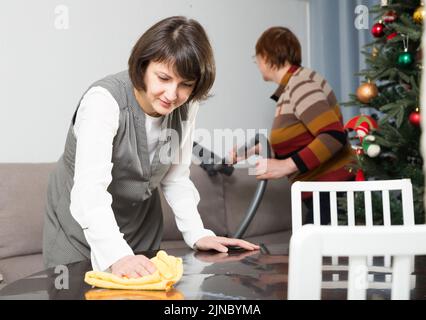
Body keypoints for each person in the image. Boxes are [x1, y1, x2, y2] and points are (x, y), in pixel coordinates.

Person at [43, 16, 259, 279]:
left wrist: (198, 233)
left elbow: (176, 178)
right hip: (78, 232)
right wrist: (117, 255)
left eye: (185, 85)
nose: (172, 94)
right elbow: (90, 192)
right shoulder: (103, 102)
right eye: (163, 77)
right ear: (142, 66)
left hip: (141, 230)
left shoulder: (186, 106)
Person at [230, 26, 356, 224]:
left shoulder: (301, 84)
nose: (257, 63)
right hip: (320, 193)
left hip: (332, 193)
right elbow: (302, 140)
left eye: (257, 57)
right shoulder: (291, 87)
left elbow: (333, 136)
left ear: (266, 56)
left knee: (313, 253)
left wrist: (285, 166)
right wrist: (254, 150)